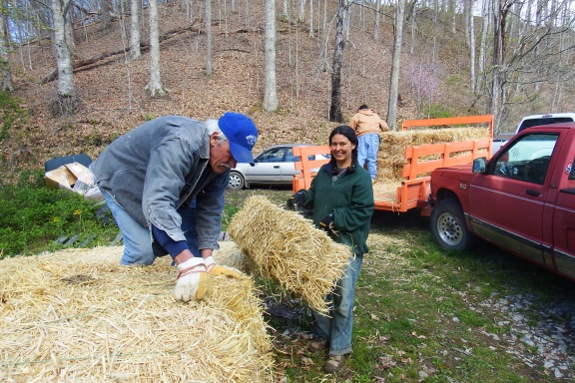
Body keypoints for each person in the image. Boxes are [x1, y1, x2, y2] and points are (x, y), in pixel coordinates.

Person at [90, 113, 258, 302]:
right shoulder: (180, 143)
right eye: (232, 155)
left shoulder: (221, 164)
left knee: (194, 250)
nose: (233, 164)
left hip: (165, 182)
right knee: (143, 252)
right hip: (121, 177)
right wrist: (186, 263)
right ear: (214, 139)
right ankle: (122, 300)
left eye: (238, 159)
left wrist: (207, 260)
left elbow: (210, 208)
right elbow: (158, 201)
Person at [287, 125, 375, 374]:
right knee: (319, 292)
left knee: (343, 299)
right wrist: (303, 197)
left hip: (346, 245)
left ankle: (338, 349)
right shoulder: (325, 172)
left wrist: (335, 217)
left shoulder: (360, 177)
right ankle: (321, 334)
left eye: (342, 144)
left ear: (353, 146)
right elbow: (315, 194)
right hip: (321, 244)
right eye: (334, 144)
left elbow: (363, 210)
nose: (337, 148)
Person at [348, 104, 389, 182]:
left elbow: (350, 128)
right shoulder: (375, 115)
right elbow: (385, 127)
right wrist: (384, 132)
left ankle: (358, 176)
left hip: (362, 136)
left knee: (361, 157)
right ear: (368, 109)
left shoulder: (357, 115)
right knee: (372, 158)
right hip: (374, 137)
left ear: (360, 109)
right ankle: (372, 177)